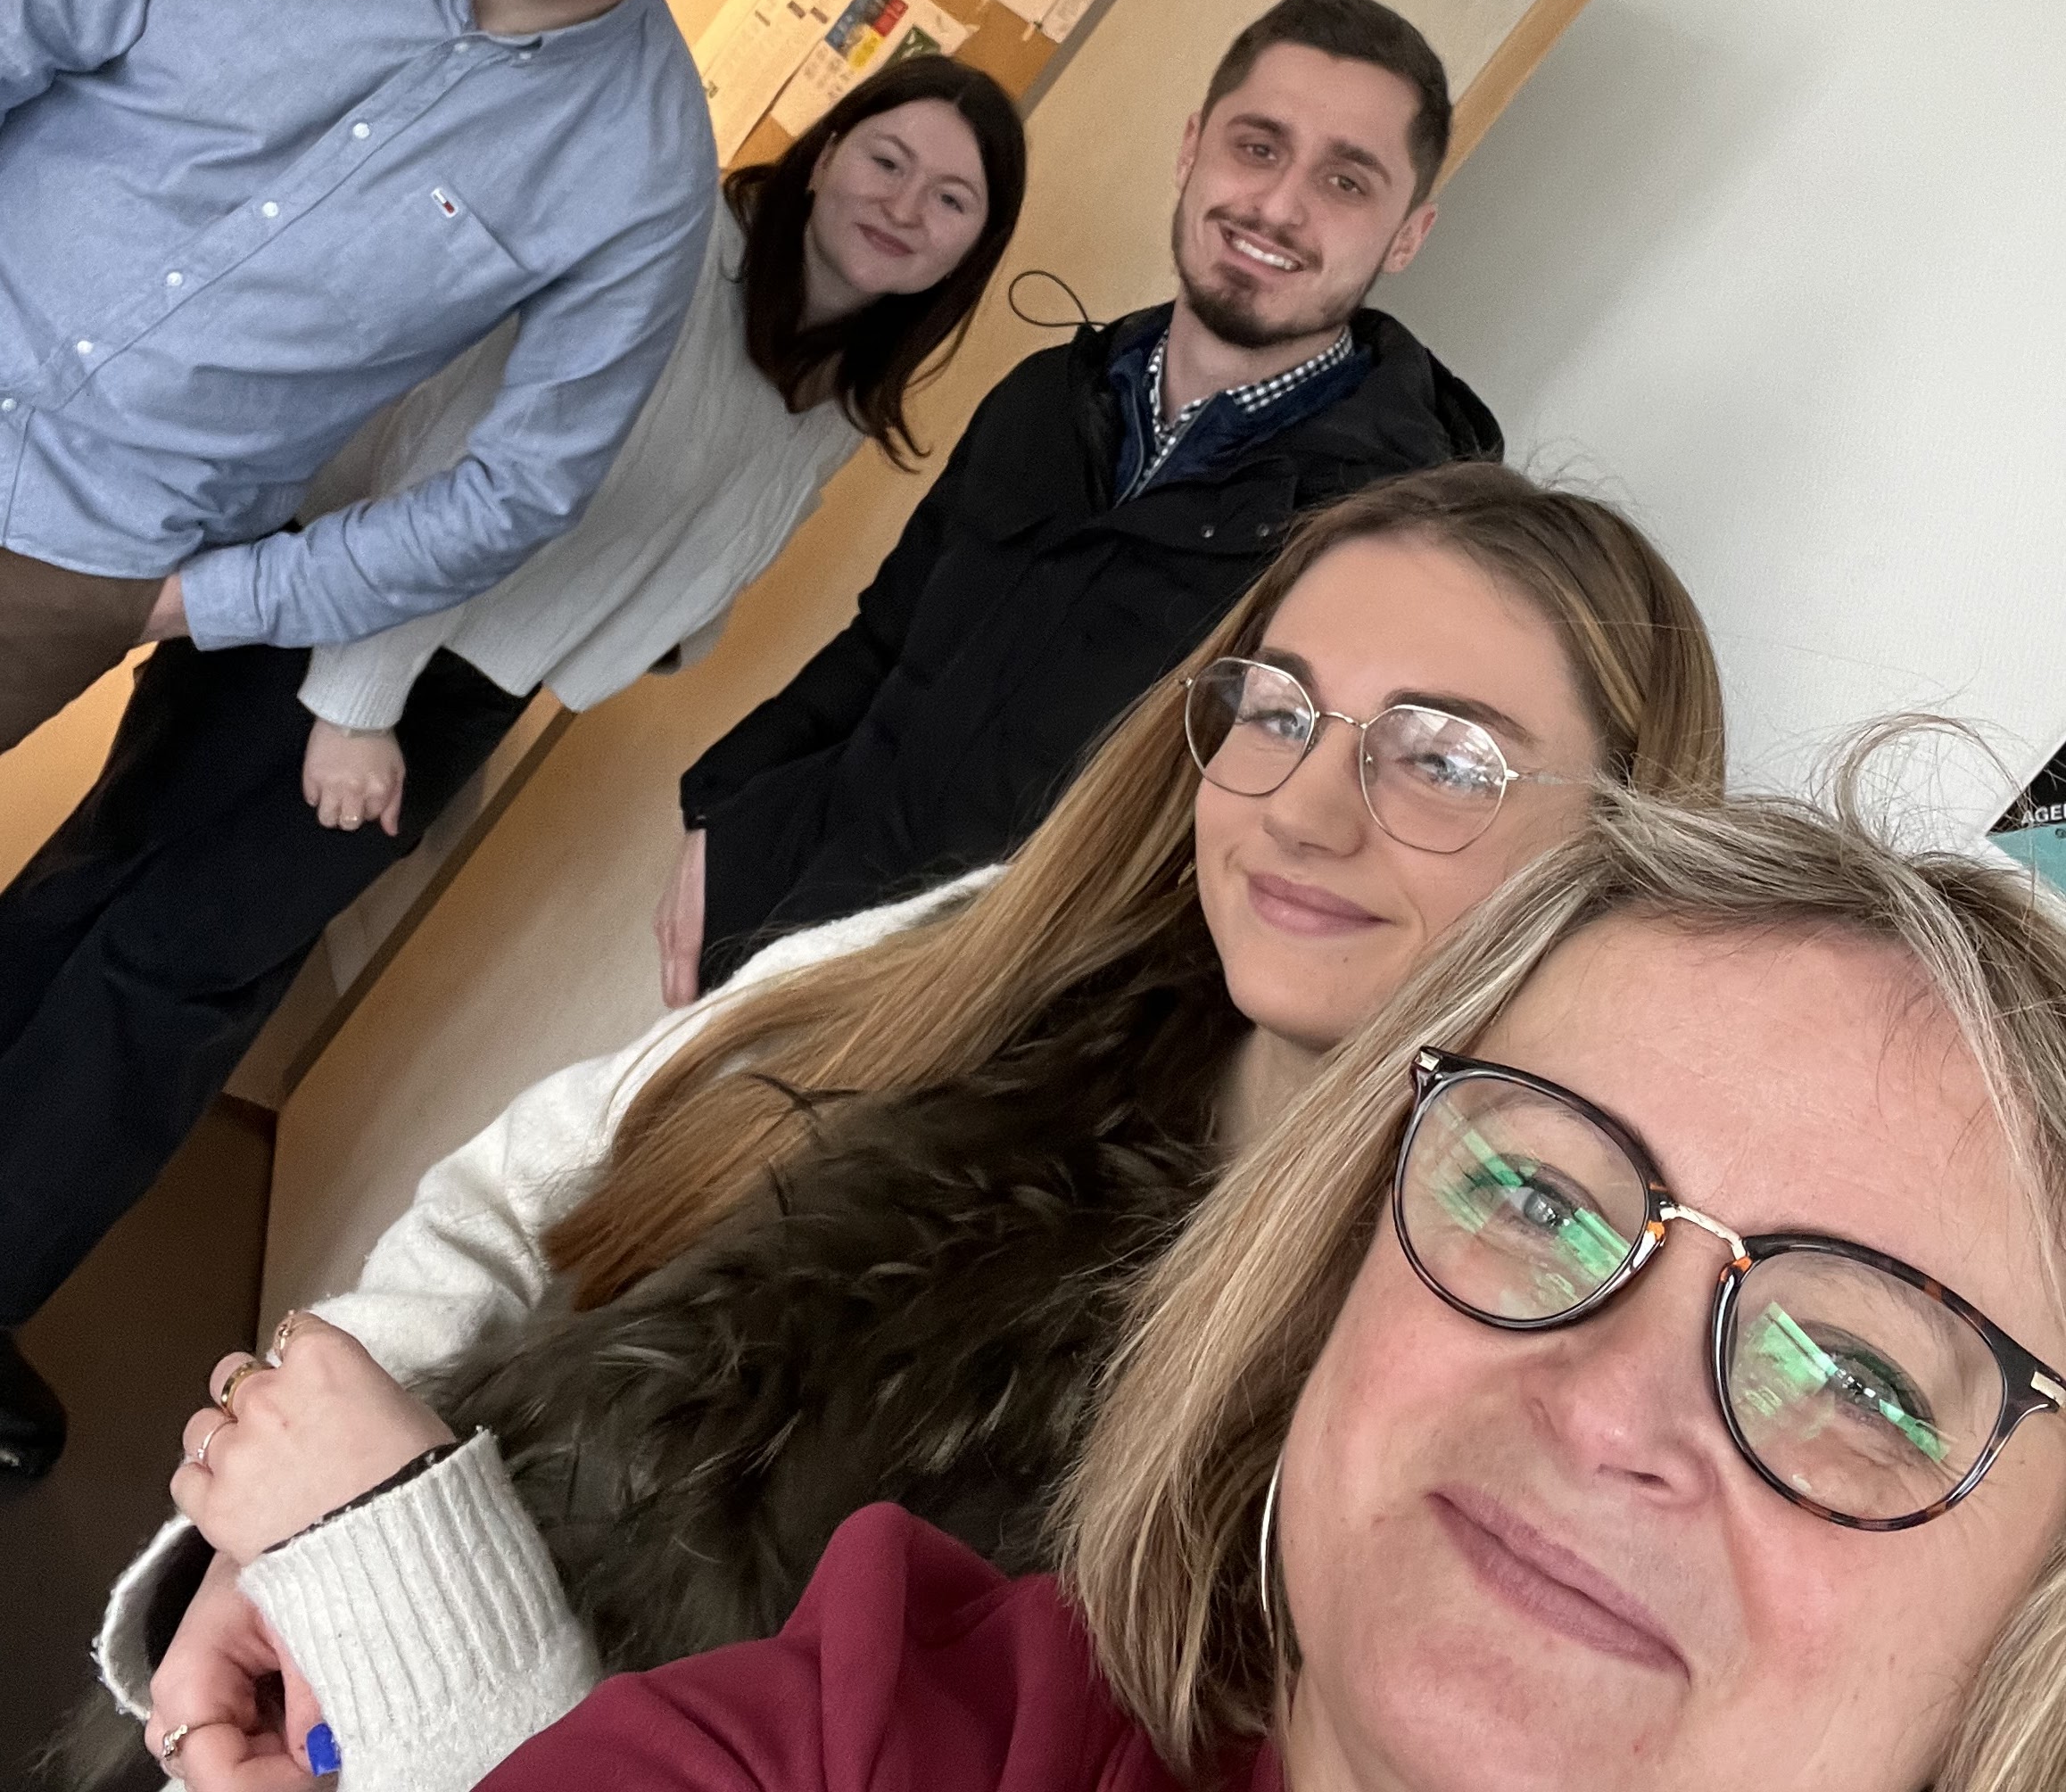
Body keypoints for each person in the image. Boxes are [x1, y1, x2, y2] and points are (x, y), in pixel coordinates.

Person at [87, 465, 1725, 1789]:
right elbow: (523, 1195)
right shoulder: (1005, 947)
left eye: (1444, 759)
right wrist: (269, 1558)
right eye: (1278, 708)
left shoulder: (1450, 1408)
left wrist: (399, 1605)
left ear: (1622, 849)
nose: (1299, 807)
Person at [489, 773, 2066, 1792]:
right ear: (1329, 1267)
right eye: (1538, 1196)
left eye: (1857, 1379)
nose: (1604, 1409)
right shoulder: (881, 1727)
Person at [0, 55, 1025, 1481]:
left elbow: (687, 560)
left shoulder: (837, 396)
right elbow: (459, 455)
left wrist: (647, 630)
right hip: (356, 632)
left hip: (460, 686)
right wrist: (359, 697)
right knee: (158, 975)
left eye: (952, 199)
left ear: (976, 247)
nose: (905, 205)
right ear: (828, 144)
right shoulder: (678, 256)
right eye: (888, 158)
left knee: (121, 927)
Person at [0, 0, 815, 756]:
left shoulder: (648, 175)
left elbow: (519, 494)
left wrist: (197, 605)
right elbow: (19, 26)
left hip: (72, 565)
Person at [657, 0, 1503, 1005]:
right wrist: (725, 815)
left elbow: (1268, 862)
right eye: (1258, 146)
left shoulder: (1383, 535)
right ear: (1191, 149)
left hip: (991, 1026)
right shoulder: (1044, 397)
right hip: (784, 935)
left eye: (1345, 180)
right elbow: (883, 642)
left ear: (1407, 234)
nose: (1279, 206)